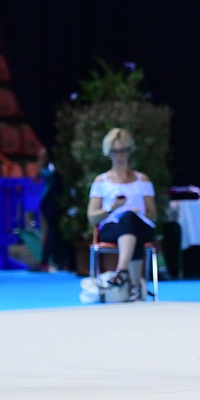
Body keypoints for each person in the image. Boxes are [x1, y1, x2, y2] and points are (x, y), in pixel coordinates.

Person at [87, 128, 157, 301]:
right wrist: (112, 209)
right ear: (108, 153)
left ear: (129, 151)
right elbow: (92, 217)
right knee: (127, 222)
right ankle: (135, 286)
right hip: (111, 228)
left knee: (131, 220)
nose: (119, 156)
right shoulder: (101, 181)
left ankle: (122, 271)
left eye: (123, 151)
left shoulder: (142, 180)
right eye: (115, 151)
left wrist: (138, 213)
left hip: (139, 225)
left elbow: (153, 214)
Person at [33, 147, 67, 271]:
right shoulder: (47, 164)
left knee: (58, 232)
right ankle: (45, 261)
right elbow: (39, 173)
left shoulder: (64, 160)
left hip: (61, 200)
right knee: (52, 231)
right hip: (49, 201)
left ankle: (59, 261)